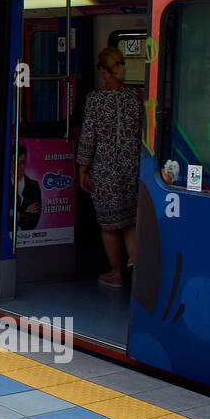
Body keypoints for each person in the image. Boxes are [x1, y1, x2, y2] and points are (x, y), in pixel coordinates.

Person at [77, 46, 144, 288]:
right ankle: (137, 270)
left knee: (109, 224)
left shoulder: (95, 99)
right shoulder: (136, 96)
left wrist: (82, 169)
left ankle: (116, 273)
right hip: (132, 166)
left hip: (105, 169)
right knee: (130, 221)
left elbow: (88, 137)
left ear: (104, 71)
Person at [15, 144, 42, 231]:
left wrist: (13, 214)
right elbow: (0, 218)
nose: (19, 167)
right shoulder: (2, 184)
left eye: (22, 162)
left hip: (28, 237)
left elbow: (32, 220)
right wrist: (24, 213)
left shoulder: (33, 186)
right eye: (15, 162)